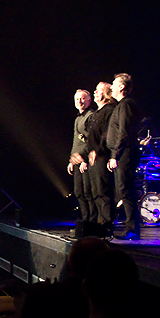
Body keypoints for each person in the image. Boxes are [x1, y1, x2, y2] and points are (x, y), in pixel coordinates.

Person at [107, 73, 142, 240]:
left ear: (122, 87)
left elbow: (124, 132)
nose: (111, 87)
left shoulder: (126, 105)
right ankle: (130, 227)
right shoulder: (121, 105)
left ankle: (132, 228)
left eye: (114, 84)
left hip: (125, 154)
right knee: (123, 190)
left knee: (126, 190)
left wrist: (115, 154)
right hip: (122, 153)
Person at [81, 82, 117, 238]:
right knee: (94, 190)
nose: (95, 92)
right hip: (93, 157)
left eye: (98, 90)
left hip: (102, 156)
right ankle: (98, 223)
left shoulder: (109, 111)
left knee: (102, 190)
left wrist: (98, 149)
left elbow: (107, 134)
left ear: (106, 93)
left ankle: (107, 224)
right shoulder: (96, 113)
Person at [68, 89, 95, 238]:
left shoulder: (90, 117)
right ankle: (85, 220)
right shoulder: (78, 118)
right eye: (77, 99)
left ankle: (91, 222)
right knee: (78, 191)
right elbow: (76, 141)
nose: (80, 101)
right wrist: (71, 160)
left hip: (86, 161)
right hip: (77, 160)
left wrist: (83, 159)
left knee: (88, 192)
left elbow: (91, 141)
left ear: (89, 101)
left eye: (83, 99)